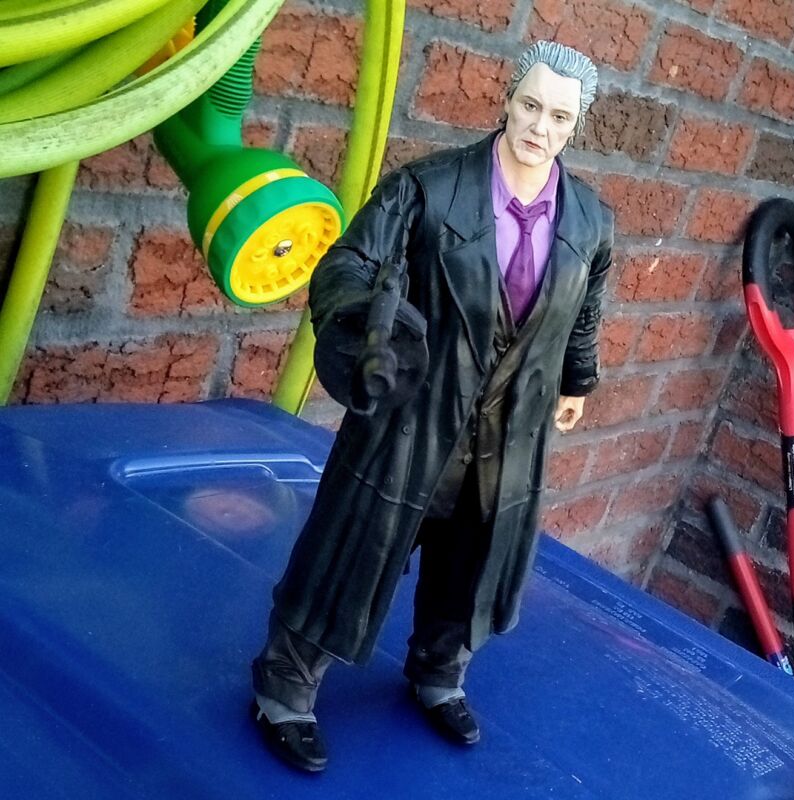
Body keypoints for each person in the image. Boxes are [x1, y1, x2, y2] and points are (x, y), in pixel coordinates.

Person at [250, 40, 614, 773]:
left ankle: (439, 674)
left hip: (509, 431)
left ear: (576, 126)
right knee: (350, 555)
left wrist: (576, 381)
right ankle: (283, 690)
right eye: (531, 105)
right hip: (412, 419)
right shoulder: (428, 188)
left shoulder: (589, 221)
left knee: (473, 565)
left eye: (560, 116)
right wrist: (369, 329)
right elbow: (349, 262)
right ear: (508, 100)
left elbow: (583, 311)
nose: (540, 127)